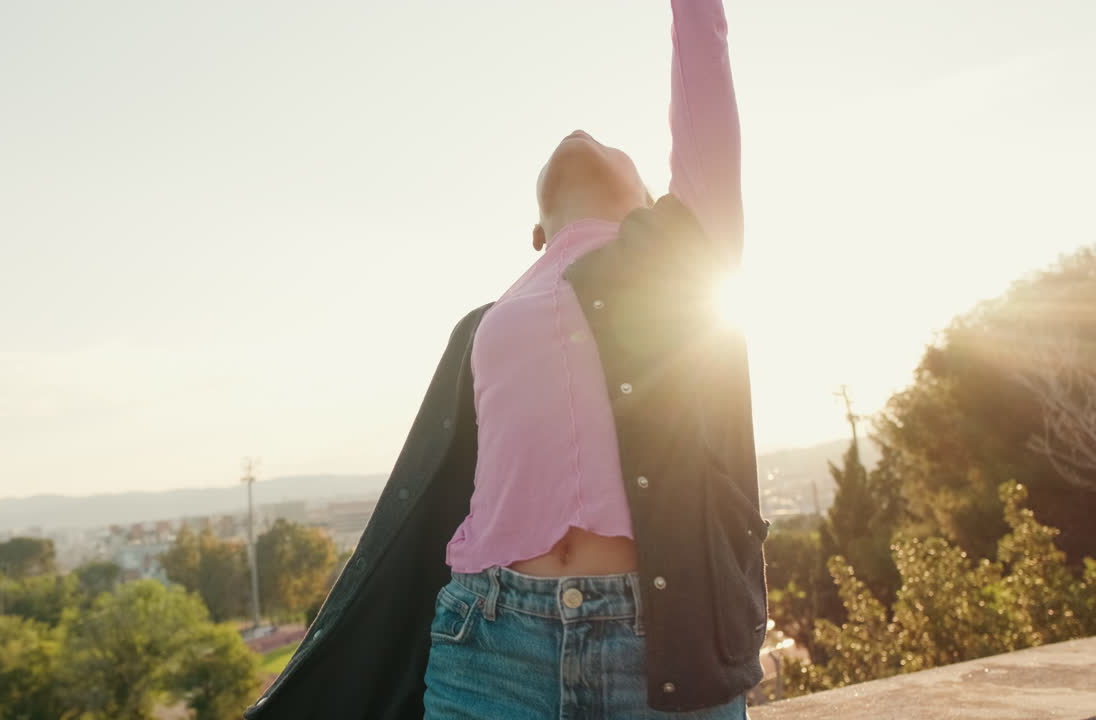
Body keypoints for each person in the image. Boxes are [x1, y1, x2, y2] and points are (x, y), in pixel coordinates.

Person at [244, 0, 765, 718]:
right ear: (534, 230)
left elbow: (705, 64)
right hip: (488, 644)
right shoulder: (484, 325)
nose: (582, 133)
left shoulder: (685, 254)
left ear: (655, 203)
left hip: (661, 652)